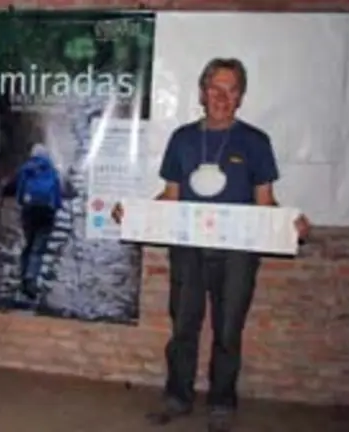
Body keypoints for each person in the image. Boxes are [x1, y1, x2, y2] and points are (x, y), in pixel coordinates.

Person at [112, 58, 310, 432]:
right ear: (202, 92)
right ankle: (177, 396)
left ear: (241, 97)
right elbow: (170, 197)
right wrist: (136, 213)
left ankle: (222, 402)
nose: (222, 97)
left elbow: (265, 203)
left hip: (238, 253)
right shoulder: (183, 139)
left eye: (231, 90)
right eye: (215, 88)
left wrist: (290, 224)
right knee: (184, 325)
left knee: (228, 329)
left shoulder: (255, 142)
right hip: (187, 249)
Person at [0, 144, 74, 300]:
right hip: (47, 213)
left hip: (28, 211)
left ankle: (23, 276)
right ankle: (31, 279)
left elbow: (10, 186)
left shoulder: (26, 169)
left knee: (28, 243)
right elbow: (65, 191)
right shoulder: (53, 171)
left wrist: (3, 190)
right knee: (39, 248)